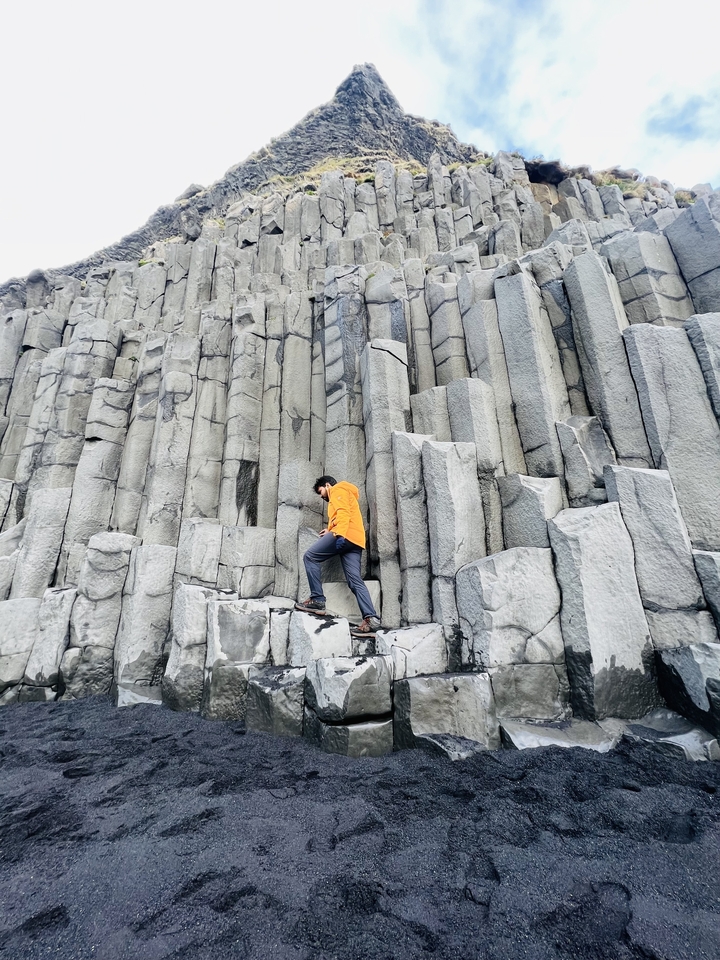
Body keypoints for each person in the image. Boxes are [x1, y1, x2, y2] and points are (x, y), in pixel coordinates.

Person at [295, 475, 381, 635]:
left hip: (345, 535)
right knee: (355, 580)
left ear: (327, 485)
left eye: (321, 492)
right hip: (355, 540)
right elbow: (344, 514)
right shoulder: (347, 493)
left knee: (310, 557)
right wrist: (331, 529)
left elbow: (343, 513)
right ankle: (371, 619)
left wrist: (339, 534)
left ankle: (317, 600)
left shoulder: (338, 489)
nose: (322, 497)